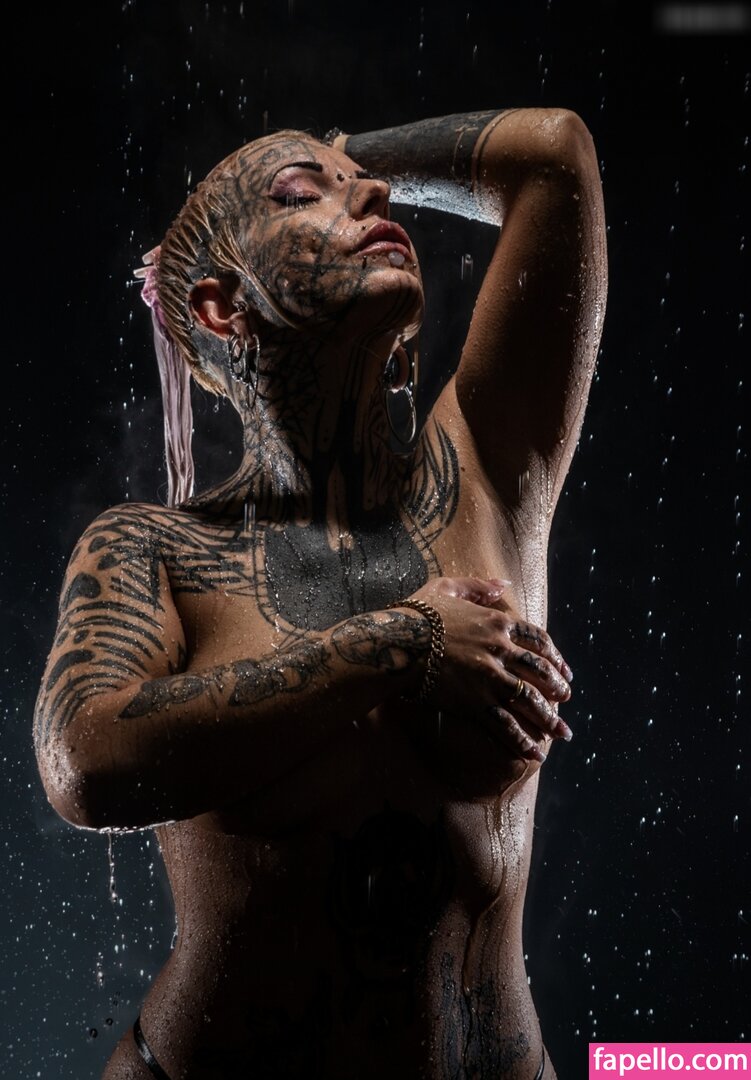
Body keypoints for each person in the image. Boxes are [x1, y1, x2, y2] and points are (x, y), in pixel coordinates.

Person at [34, 107, 606, 1079]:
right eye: (300, 197)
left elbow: (551, 156)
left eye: (368, 189)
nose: (374, 195)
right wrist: (401, 644)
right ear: (222, 308)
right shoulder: (157, 550)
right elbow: (88, 764)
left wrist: (341, 157)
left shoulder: (483, 470)